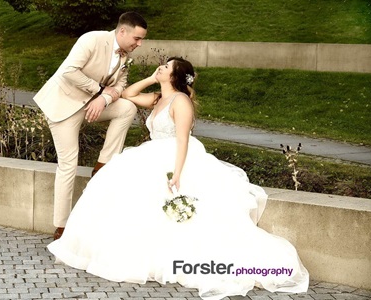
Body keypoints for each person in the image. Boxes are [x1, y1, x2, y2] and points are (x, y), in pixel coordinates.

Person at [47, 57, 309, 299]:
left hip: (175, 157)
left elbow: (183, 140)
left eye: (166, 66)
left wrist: (178, 173)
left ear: (175, 76)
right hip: (152, 154)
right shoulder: (158, 98)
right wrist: (151, 78)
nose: (161, 67)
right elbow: (128, 94)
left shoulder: (180, 102)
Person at [33, 12, 147, 240]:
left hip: (91, 104)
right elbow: (68, 71)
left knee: (127, 108)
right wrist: (100, 91)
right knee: (68, 164)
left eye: (142, 39)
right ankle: (62, 227)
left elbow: (120, 85)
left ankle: (103, 164)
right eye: (137, 38)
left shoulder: (125, 56)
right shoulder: (92, 39)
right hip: (63, 105)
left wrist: (103, 99)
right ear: (122, 31)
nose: (139, 43)